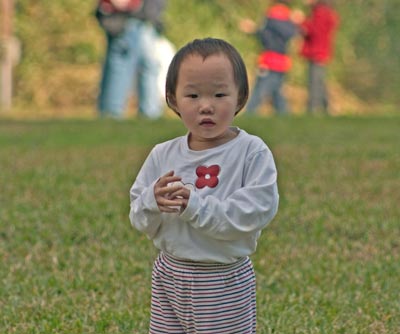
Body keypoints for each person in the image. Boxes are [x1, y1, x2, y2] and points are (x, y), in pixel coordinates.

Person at [129, 38, 279, 333]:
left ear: (240, 97)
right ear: (173, 99)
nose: (206, 106)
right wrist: (152, 201)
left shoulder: (251, 152)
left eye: (220, 94)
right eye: (193, 95)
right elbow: (139, 217)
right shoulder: (163, 154)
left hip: (221, 278)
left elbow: (254, 212)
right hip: (169, 273)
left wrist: (195, 206)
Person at [96, 0, 167, 119]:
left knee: (147, 69)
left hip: (142, 19)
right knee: (121, 71)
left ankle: (149, 116)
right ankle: (112, 117)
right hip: (127, 20)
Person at [239, 0, 303, 115]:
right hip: (283, 62)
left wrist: (253, 30)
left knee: (260, 90)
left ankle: (250, 113)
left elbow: (266, 37)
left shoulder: (271, 17)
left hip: (269, 60)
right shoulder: (290, 21)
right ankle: (284, 114)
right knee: (277, 91)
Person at [298, 0, 339, 114]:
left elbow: (314, 31)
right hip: (320, 52)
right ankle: (326, 108)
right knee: (320, 81)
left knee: (315, 83)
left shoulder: (320, 13)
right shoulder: (323, 12)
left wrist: (301, 22)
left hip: (317, 53)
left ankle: (313, 108)